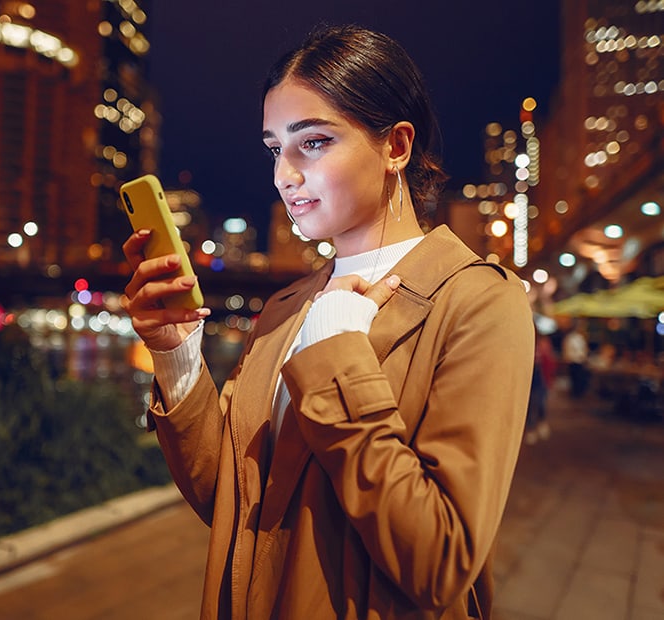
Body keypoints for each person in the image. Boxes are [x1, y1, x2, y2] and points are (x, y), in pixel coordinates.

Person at [121, 24, 534, 620]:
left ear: (396, 146)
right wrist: (178, 355)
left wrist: (340, 349)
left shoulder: (476, 303)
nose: (283, 175)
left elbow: (441, 561)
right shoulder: (287, 307)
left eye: (311, 142)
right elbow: (229, 497)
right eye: (273, 149)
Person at [524, 332, 557, 445]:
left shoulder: (543, 346)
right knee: (530, 405)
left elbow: (550, 365)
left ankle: (540, 424)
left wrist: (549, 381)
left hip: (540, 380)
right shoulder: (527, 344)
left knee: (540, 403)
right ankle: (532, 428)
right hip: (530, 381)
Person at [562, 320, 589, 398]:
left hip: (580, 362)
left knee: (579, 380)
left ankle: (578, 395)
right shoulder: (570, 338)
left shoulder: (579, 337)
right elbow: (568, 351)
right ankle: (576, 395)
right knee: (575, 380)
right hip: (574, 362)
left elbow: (584, 350)